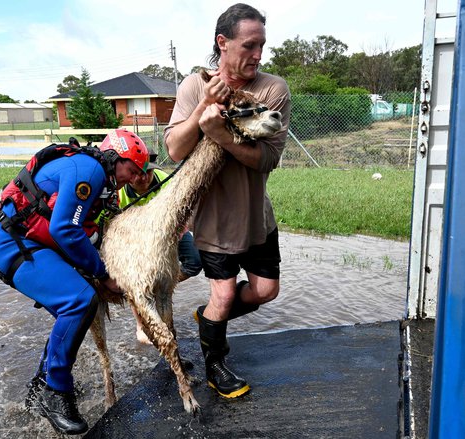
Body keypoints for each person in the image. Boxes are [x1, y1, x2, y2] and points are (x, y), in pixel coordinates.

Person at [0, 129, 149, 435]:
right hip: (11, 246)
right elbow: (64, 230)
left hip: (26, 242)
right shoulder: (89, 170)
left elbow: (76, 229)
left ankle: (42, 384)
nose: (134, 178)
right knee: (80, 300)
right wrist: (102, 274)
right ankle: (55, 392)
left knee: (73, 307)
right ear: (116, 158)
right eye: (132, 169)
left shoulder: (94, 173)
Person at [164, 3, 291, 399]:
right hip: (213, 222)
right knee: (223, 292)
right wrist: (204, 107)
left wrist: (219, 133)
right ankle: (216, 366)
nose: (258, 54)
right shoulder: (192, 87)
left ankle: (207, 322)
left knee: (266, 290)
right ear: (223, 43)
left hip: (256, 218)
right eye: (249, 45)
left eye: (262, 46)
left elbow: (267, 158)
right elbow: (173, 150)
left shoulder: (272, 89)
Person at [116, 150, 203, 344]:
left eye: (149, 172)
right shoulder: (119, 192)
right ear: (130, 176)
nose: (145, 177)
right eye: (139, 173)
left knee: (195, 262)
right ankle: (141, 324)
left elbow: (184, 213)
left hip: (169, 234)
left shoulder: (165, 180)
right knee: (136, 282)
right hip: (136, 238)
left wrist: (176, 234)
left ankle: (161, 288)